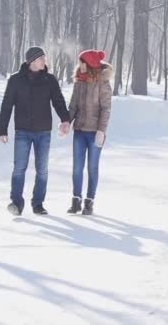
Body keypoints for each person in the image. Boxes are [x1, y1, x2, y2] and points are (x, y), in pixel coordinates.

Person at [0, 46, 71, 216]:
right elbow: (7, 105)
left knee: (42, 169)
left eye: (44, 58)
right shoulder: (16, 80)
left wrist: (65, 119)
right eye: (41, 59)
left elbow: (58, 101)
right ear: (31, 61)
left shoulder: (50, 80)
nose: (44, 61)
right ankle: (16, 203)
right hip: (22, 131)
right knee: (19, 168)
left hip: (43, 132)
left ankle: (38, 203)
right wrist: (2, 129)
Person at [66, 49, 113, 215]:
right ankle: (76, 200)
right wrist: (66, 122)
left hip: (95, 133)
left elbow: (106, 109)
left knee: (92, 167)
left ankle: (89, 201)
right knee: (77, 167)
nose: (80, 66)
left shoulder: (103, 83)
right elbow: (73, 106)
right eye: (80, 62)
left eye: (83, 62)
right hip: (79, 130)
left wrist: (101, 131)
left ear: (91, 65)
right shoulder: (79, 81)